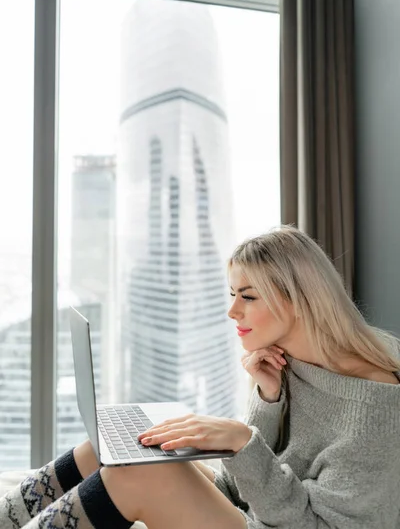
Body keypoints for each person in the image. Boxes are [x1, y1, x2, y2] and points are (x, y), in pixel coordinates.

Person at [1, 225, 400, 529]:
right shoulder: (289, 363)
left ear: (298, 299)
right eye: (232, 295)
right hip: (261, 512)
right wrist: (268, 400)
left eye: (247, 297)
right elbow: (248, 484)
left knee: (138, 478)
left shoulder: (375, 409)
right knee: (110, 448)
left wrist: (245, 443)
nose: (233, 312)